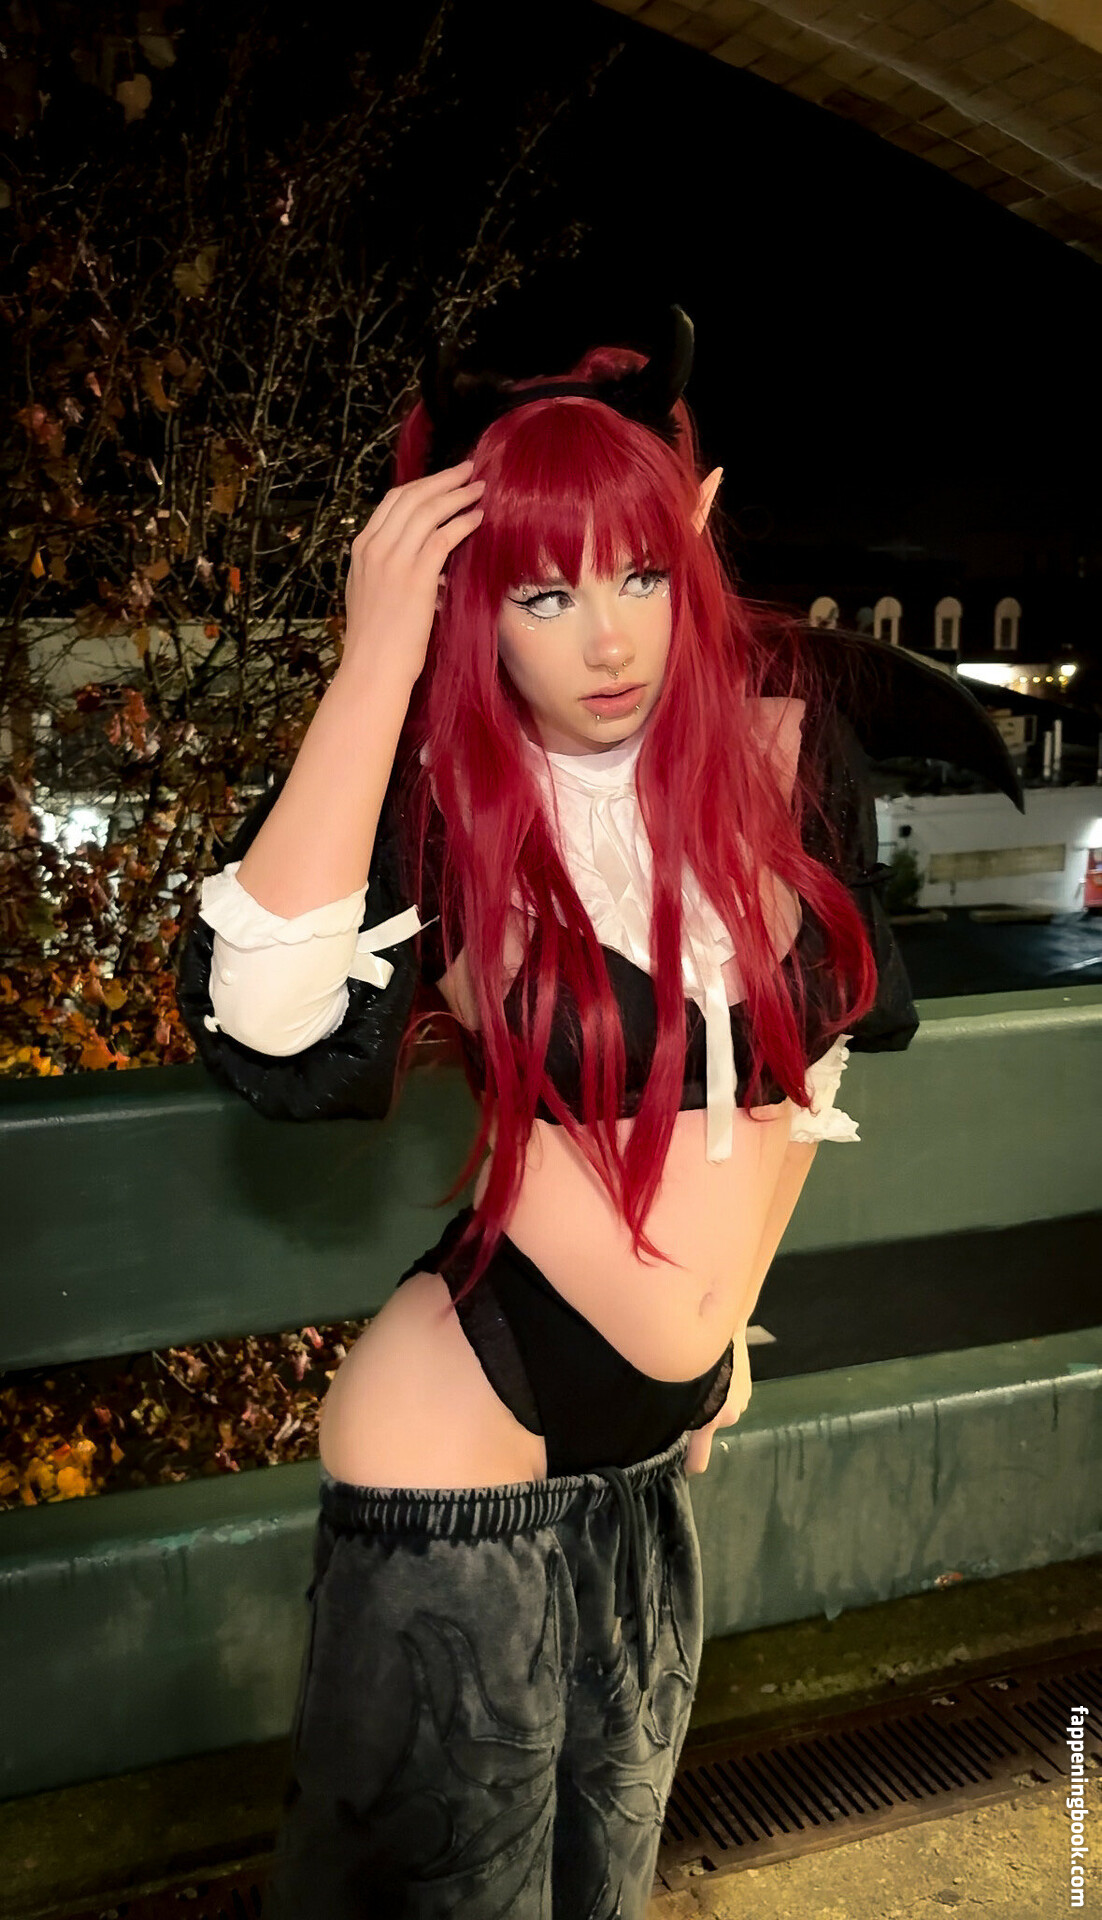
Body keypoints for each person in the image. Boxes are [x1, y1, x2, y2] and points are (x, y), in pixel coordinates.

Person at [174, 306, 1009, 1918]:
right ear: (467, 595)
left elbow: (808, 1067)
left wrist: (724, 1335)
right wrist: (374, 658)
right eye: (543, 593)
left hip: (658, 1445)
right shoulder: (445, 794)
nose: (607, 642)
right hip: (461, 1424)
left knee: (599, 1889)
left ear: (694, 534)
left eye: (636, 574)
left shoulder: (777, 745)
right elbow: (266, 1016)